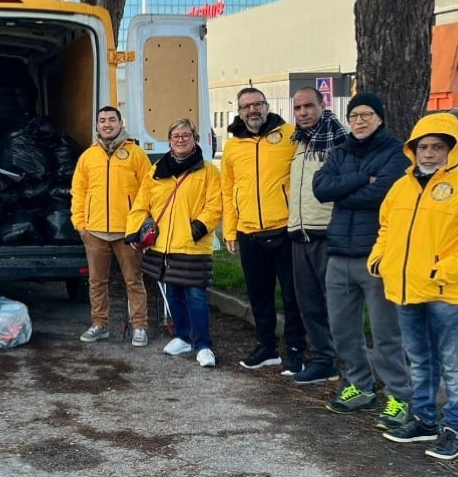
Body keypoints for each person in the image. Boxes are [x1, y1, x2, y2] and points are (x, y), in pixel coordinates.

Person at [371, 113, 458, 460]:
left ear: (452, 149)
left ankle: (455, 429)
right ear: (413, 150)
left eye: (437, 147)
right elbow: (386, 228)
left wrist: (442, 270)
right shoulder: (401, 187)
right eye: (423, 147)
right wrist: (379, 259)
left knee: (455, 363)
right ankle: (424, 419)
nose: (429, 154)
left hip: (447, 293)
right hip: (405, 290)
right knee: (419, 360)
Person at [311, 92, 412, 429]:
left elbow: (385, 191)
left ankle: (398, 396)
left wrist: (346, 192)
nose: (359, 121)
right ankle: (360, 386)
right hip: (339, 253)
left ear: (380, 118)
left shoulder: (396, 153)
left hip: (377, 255)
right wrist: (359, 182)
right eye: (354, 115)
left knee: (386, 333)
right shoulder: (340, 152)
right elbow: (322, 188)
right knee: (342, 329)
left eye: (367, 114)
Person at [221, 87, 306, 372]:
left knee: (293, 295)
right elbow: (228, 189)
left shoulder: (290, 135)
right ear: (239, 111)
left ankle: (296, 349)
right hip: (249, 232)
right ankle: (267, 347)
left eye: (257, 104)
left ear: (267, 106)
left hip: (285, 229)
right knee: (259, 294)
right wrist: (230, 231)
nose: (252, 110)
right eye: (246, 106)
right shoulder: (233, 146)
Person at [126, 119, 223, 365]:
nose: (180, 139)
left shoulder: (209, 171)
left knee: (196, 296)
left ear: (195, 139)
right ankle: (182, 336)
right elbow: (141, 203)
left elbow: (215, 204)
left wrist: (199, 227)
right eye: (175, 136)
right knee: (173, 294)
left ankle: (203, 345)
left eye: (186, 135)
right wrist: (134, 231)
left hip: (192, 244)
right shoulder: (157, 169)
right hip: (164, 246)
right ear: (169, 140)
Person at [70, 106, 153, 346]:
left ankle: (139, 327)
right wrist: (80, 224)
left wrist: (142, 224)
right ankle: (100, 324)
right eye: (102, 120)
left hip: (127, 232)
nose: (107, 124)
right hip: (95, 231)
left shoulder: (136, 153)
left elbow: (149, 191)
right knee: (97, 282)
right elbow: (79, 192)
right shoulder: (88, 156)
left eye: (111, 120)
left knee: (133, 281)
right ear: (97, 126)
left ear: (120, 123)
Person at [286, 87, 347, 383]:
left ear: (323, 105)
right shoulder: (297, 142)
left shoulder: (338, 140)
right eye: (297, 108)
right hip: (299, 233)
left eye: (309, 106)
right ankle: (323, 360)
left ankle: (350, 363)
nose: (303, 113)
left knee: (336, 303)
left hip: (326, 233)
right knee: (308, 303)